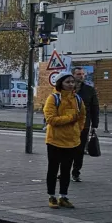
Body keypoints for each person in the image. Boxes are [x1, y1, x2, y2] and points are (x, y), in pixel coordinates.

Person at [43, 72, 85, 208]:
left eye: (72, 82)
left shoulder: (77, 99)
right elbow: (51, 119)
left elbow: (82, 116)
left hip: (72, 141)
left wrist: (78, 129)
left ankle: (63, 196)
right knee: (53, 169)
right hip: (55, 140)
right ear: (60, 83)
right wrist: (70, 118)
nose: (71, 84)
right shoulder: (53, 98)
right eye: (67, 82)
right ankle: (51, 196)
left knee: (66, 170)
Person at [70, 67, 99, 182]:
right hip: (67, 124)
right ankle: (63, 172)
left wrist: (95, 125)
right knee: (66, 148)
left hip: (84, 124)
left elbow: (95, 108)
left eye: (82, 74)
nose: (81, 76)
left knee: (80, 149)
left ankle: (76, 172)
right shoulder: (67, 89)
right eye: (78, 74)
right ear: (73, 75)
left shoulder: (89, 90)